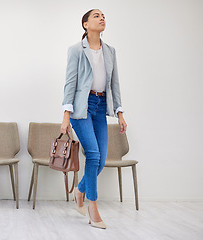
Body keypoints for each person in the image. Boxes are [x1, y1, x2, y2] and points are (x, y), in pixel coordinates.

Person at [61, 9, 127, 229]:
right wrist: (66, 115)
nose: (102, 18)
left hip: (100, 107)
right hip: (82, 108)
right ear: (85, 24)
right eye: (96, 16)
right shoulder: (76, 50)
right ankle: (92, 207)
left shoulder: (110, 51)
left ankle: (79, 191)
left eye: (103, 16)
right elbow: (70, 83)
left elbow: (114, 83)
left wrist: (119, 113)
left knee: (99, 161)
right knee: (93, 154)